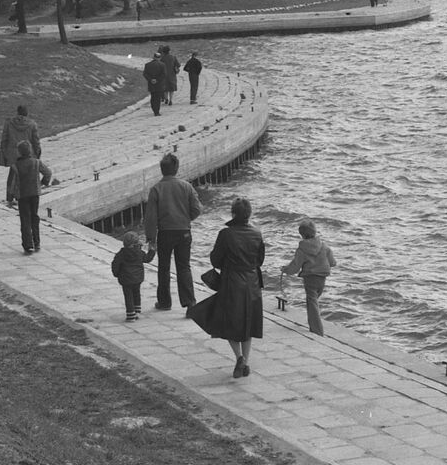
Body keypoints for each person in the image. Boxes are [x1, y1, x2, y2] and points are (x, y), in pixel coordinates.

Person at [190, 197, 265, 378]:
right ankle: (244, 361)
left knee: (230, 322)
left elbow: (215, 259)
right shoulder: (257, 233)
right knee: (248, 324)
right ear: (249, 214)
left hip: (232, 282)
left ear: (233, 213)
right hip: (252, 283)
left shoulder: (226, 234)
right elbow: (260, 260)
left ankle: (239, 357)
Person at [144, 152, 202, 310]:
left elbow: (150, 218)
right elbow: (197, 209)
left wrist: (151, 239)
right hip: (183, 231)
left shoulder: (156, 189)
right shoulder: (186, 187)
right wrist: (185, 218)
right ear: (177, 168)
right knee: (184, 266)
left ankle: (164, 302)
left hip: (165, 233)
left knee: (164, 267)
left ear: (161, 169)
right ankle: (190, 303)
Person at [280, 219, 337, 336]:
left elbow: (295, 266)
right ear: (315, 232)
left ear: (302, 235)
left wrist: (286, 270)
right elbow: (332, 262)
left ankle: (317, 330)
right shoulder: (324, 247)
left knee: (312, 301)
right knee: (314, 299)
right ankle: (313, 322)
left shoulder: (302, 249)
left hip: (310, 278)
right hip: (322, 277)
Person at [10, 140, 52, 255]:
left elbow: (12, 183)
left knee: (25, 219)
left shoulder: (15, 165)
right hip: (35, 193)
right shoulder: (36, 162)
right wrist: (43, 183)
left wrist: (10, 196)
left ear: (19, 152)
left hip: (22, 195)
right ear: (30, 151)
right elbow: (48, 173)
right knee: (34, 217)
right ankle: (37, 242)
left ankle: (28, 245)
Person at [0, 105, 41, 207]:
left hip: (13, 154)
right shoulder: (32, 124)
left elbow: (4, 139)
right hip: (28, 153)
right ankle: (21, 197)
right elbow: (36, 141)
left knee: (12, 176)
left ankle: (9, 198)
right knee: (26, 177)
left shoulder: (9, 123)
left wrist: (5, 154)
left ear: (17, 112)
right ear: (27, 113)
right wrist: (37, 154)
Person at [111, 231, 156, 322]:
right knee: (136, 293)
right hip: (137, 278)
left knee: (128, 296)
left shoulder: (121, 254)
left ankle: (131, 314)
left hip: (126, 279)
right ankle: (137, 310)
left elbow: (115, 265)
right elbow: (147, 259)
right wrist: (152, 250)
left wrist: (117, 274)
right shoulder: (139, 253)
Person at [143, 52, 167, 116]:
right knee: (158, 98)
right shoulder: (162, 65)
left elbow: (145, 74)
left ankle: (154, 109)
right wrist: (157, 80)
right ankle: (157, 111)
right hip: (159, 84)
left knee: (153, 97)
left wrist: (151, 79)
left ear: (153, 57)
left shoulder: (147, 65)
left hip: (151, 84)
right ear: (160, 58)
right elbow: (164, 74)